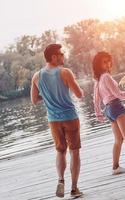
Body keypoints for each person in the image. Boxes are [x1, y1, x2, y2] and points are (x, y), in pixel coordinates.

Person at [30, 44, 83, 198]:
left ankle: (61, 179)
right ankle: (74, 189)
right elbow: (79, 94)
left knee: (60, 151)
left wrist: (46, 97)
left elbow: (34, 100)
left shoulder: (36, 76)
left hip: (53, 120)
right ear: (54, 57)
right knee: (74, 152)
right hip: (70, 117)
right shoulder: (65, 72)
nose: (63, 56)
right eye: (61, 54)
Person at [92, 51, 125, 176]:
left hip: (108, 110)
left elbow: (96, 99)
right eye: (104, 62)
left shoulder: (98, 79)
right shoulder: (105, 77)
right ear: (98, 65)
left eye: (108, 61)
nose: (108, 64)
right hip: (116, 106)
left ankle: (115, 167)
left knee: (118, 139)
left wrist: (98, 113)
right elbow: (118, 94)